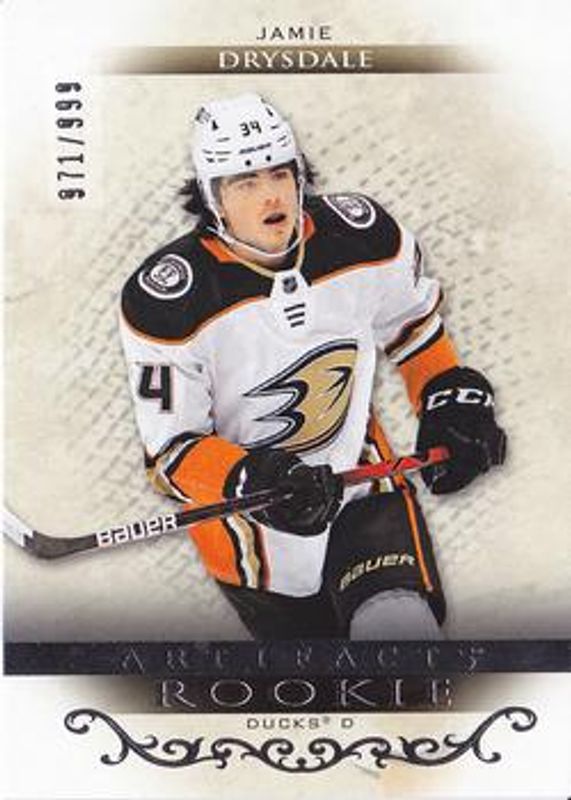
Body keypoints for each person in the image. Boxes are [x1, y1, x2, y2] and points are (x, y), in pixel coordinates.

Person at [119, 93, 506, 640]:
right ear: (212, 198)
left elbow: (413, 328)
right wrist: (254, 478)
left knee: (402, 636)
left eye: (280, 172)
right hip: (251, 532)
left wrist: (449, 397)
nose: (271, 195)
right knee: (320, 672)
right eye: (245, 182)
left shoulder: (361, 238)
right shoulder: (170, 299)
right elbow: (172, 455)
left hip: (363, 483)